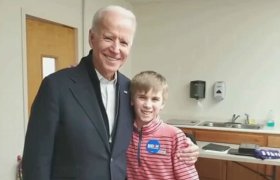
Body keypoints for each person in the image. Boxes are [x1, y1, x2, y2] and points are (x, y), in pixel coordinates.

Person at [22, 5, 199, 180]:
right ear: (92, 38)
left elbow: (145, 127)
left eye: (123, 42)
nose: (115, 49)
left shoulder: (129, 89)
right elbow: (36, 160)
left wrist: (186, 144)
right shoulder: (56, 86)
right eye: (108, 38)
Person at [127, 71, 199, 180]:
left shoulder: (174, 136)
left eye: (155, 99)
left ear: (162, 104)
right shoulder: (123, 132)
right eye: (142, 97)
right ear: (132, 100)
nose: (148, 105)